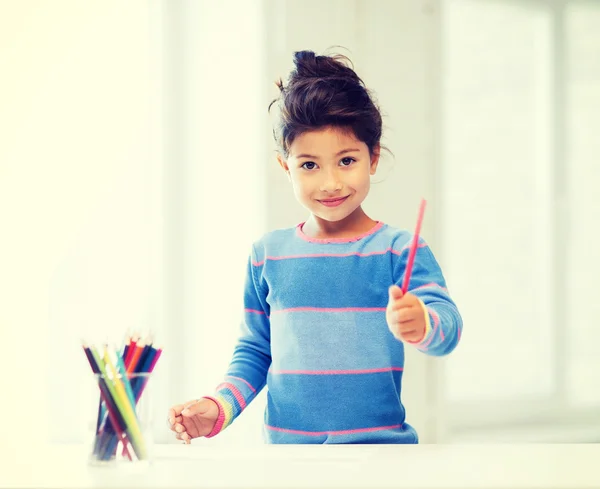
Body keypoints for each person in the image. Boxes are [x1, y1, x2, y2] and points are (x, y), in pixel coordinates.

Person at [167, 50, 463, 444]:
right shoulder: (267, 255)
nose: (330, 183)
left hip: (382, 458)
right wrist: (220, 406)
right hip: (290, 462)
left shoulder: (399, 250)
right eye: (309, 165)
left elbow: (448, 329)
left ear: (372, 158)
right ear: (284, 166)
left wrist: (423, 323)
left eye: (346, 160)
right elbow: (256, 350)